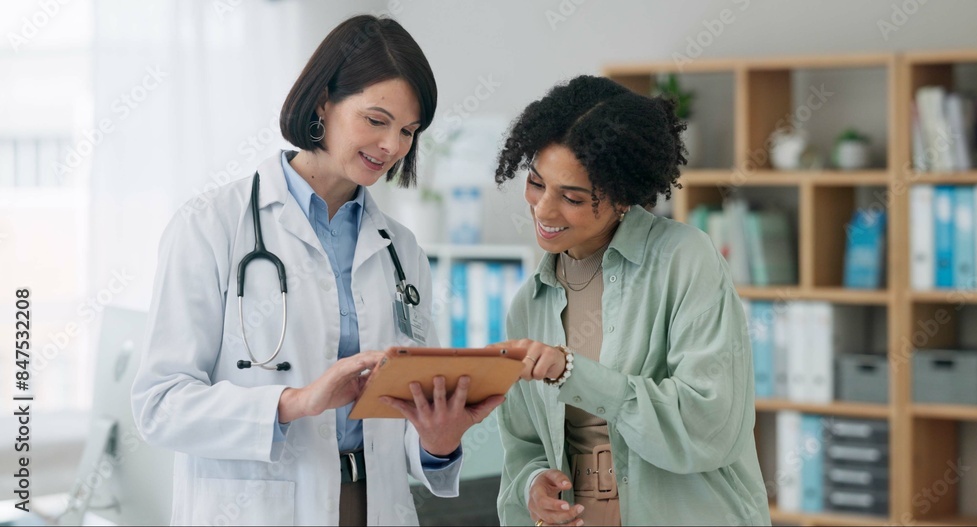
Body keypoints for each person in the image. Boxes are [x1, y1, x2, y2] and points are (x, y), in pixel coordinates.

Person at [131, 15, 503, 526]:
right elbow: (160, 404)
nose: (393, 146)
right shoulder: (211, 226)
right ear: (323, 103)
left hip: (375, 505)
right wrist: (296, 402)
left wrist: (438, 439)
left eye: (408, 131)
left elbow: (410, 414)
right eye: (376, 120)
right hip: (260, 508)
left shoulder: (402, 248)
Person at [490, 75, 771, 526]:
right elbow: (523, 445)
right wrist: (532, 485)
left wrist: (572, 371)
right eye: (537, 183)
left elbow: (709, 423)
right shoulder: (531, 302)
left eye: (572, 197)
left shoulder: (684, 259)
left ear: (621, 198)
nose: (543, 209)